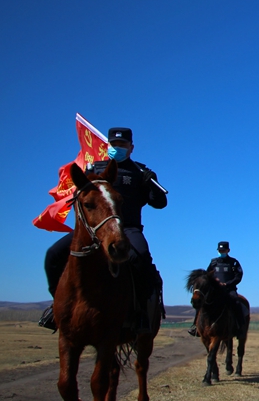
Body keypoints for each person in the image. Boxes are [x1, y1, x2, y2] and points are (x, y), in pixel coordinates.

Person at [39, 127, 167, 331]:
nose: (117, 148)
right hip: (94, 229)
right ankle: (58, 308)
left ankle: (141, 314)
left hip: (128, 229)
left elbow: (160, 203)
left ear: (131, 147)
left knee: (141, 258)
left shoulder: (140, 172)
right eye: (113, 145)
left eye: (122, 145)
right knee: (54, 255)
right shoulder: (94, 169)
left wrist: (150, 184)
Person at [187, 241, 245, 336]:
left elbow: (238, 276)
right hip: (215, 291)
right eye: (220, 250)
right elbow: (207, 276)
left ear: (228, 250)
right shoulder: (213, 262)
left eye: (223, 250)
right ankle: (195, 326)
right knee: (201, 303)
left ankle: (240, 327)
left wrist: (226, 284)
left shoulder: (234, 263)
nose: (221, 252)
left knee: (237, 302)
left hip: (229, 290)